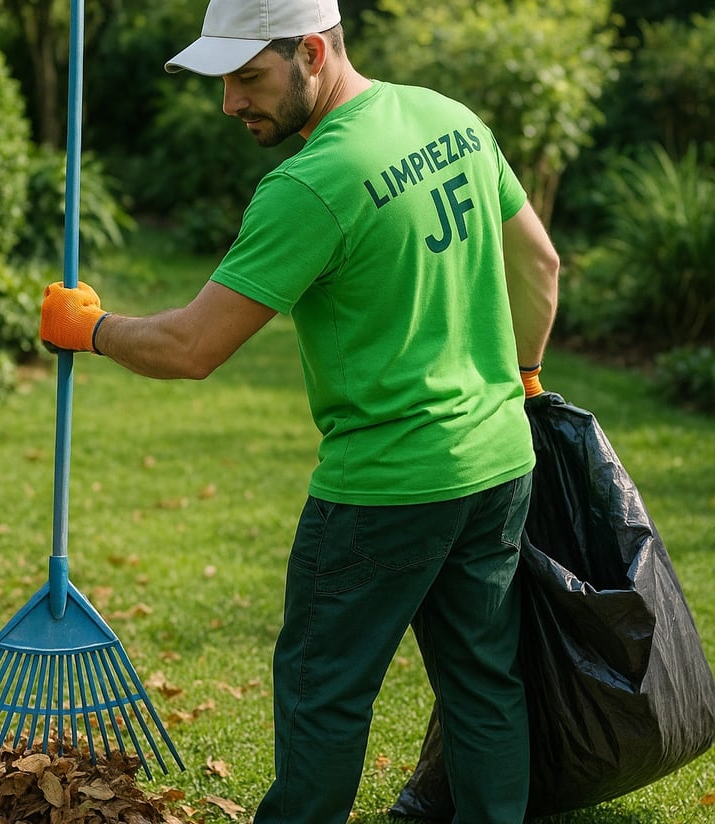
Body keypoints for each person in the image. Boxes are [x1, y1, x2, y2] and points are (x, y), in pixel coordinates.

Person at [40, 0, 560, 821]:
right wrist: (523, 377)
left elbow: (192, 348)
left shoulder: (312, 184)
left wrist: (90, 329)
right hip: (497, 463)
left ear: (312, 51)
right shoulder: (447, 117)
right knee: (484, 683)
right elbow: (541, 261)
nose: (231, 104)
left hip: (382, 493)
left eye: (248, 78)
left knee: (325, 697)